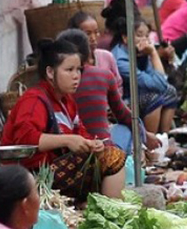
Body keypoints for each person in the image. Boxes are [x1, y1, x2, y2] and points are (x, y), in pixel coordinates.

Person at [1, 39, 126, 201]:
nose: (76, 76)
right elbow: (25, 139)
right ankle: (111, 213)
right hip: (32, 176)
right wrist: (67, 140)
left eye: (78, 70)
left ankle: (106, 209)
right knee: (112, 158)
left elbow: (80, 132)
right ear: (50, 72)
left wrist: (92, 143)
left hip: (56, 169)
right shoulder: (34, 100)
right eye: (69, 70)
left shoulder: (67, 101)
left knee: (108, 150)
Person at [57, 29, 158, 162]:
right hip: (100, 153)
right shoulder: (102, 75)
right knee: (127, 127)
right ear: (88, 52)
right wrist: (144, 134)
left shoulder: (56, 82)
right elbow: (124, 115)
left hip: (68, 153)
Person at [104, 0, 180, 135]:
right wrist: (154, 54)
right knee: (154, 96)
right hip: (121, 102)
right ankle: (150, 143)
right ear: (125, 38)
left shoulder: (139, 52)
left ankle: (164, 138)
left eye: (146, 35)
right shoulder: (120, 60)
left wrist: (150, 54)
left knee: (170, 91)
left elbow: (161, 83)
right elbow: (157, 84)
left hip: (139, 92)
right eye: (139, 35)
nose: (144, 40)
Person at [68, 11, 119, 83]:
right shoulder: (71, 62)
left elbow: (118, 83)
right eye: (88, 34)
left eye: (96, 32)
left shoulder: (107, 56)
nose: (93, 38)